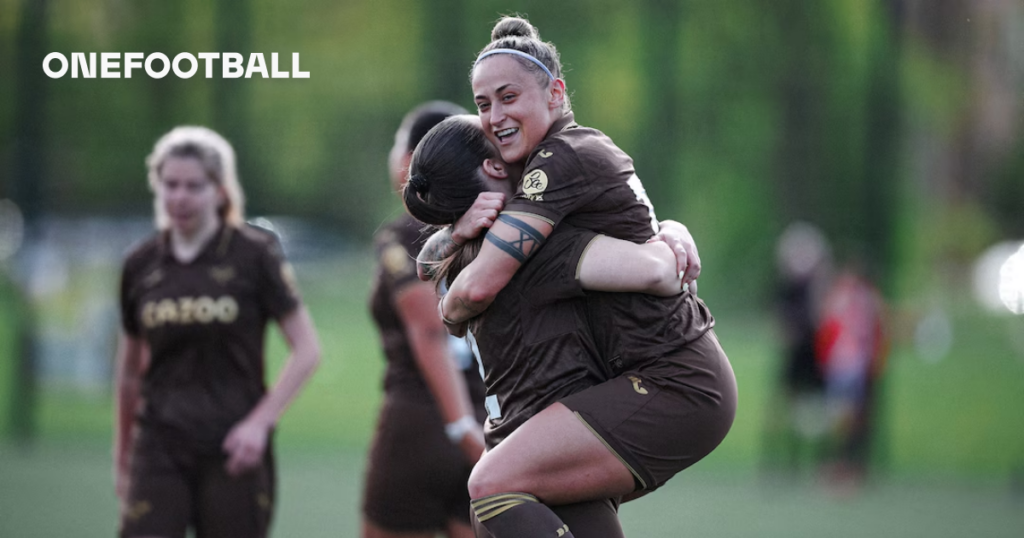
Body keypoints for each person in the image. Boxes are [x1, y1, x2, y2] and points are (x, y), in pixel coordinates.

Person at [417, 17, 737, 537]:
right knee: (504, 501)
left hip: (671, 379)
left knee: (491, 487)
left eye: (507, 97)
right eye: (482, 104)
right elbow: (434, 259)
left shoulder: (558, 160)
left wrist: (449, 308)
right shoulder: (537, 179)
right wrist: (454, 236)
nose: (494, 117)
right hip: (623, 384)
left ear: (556, 92)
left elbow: (476, 287)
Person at [113, 126, 321, 538]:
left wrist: (259, 424)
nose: (180, 197)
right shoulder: (140, 264)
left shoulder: (253, 254)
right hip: (160, 443)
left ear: (220, 190)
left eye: (194, 185)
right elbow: (130, 371)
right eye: (170, 184)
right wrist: (123, 454)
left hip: (232, 447)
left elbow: (307, 350)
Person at [362, 101, 488, 538]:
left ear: (411, 159)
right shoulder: (494, 231)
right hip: (492, 419)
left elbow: (430, 332)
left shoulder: (407, 234)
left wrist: (460, 428)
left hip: (425, 421)